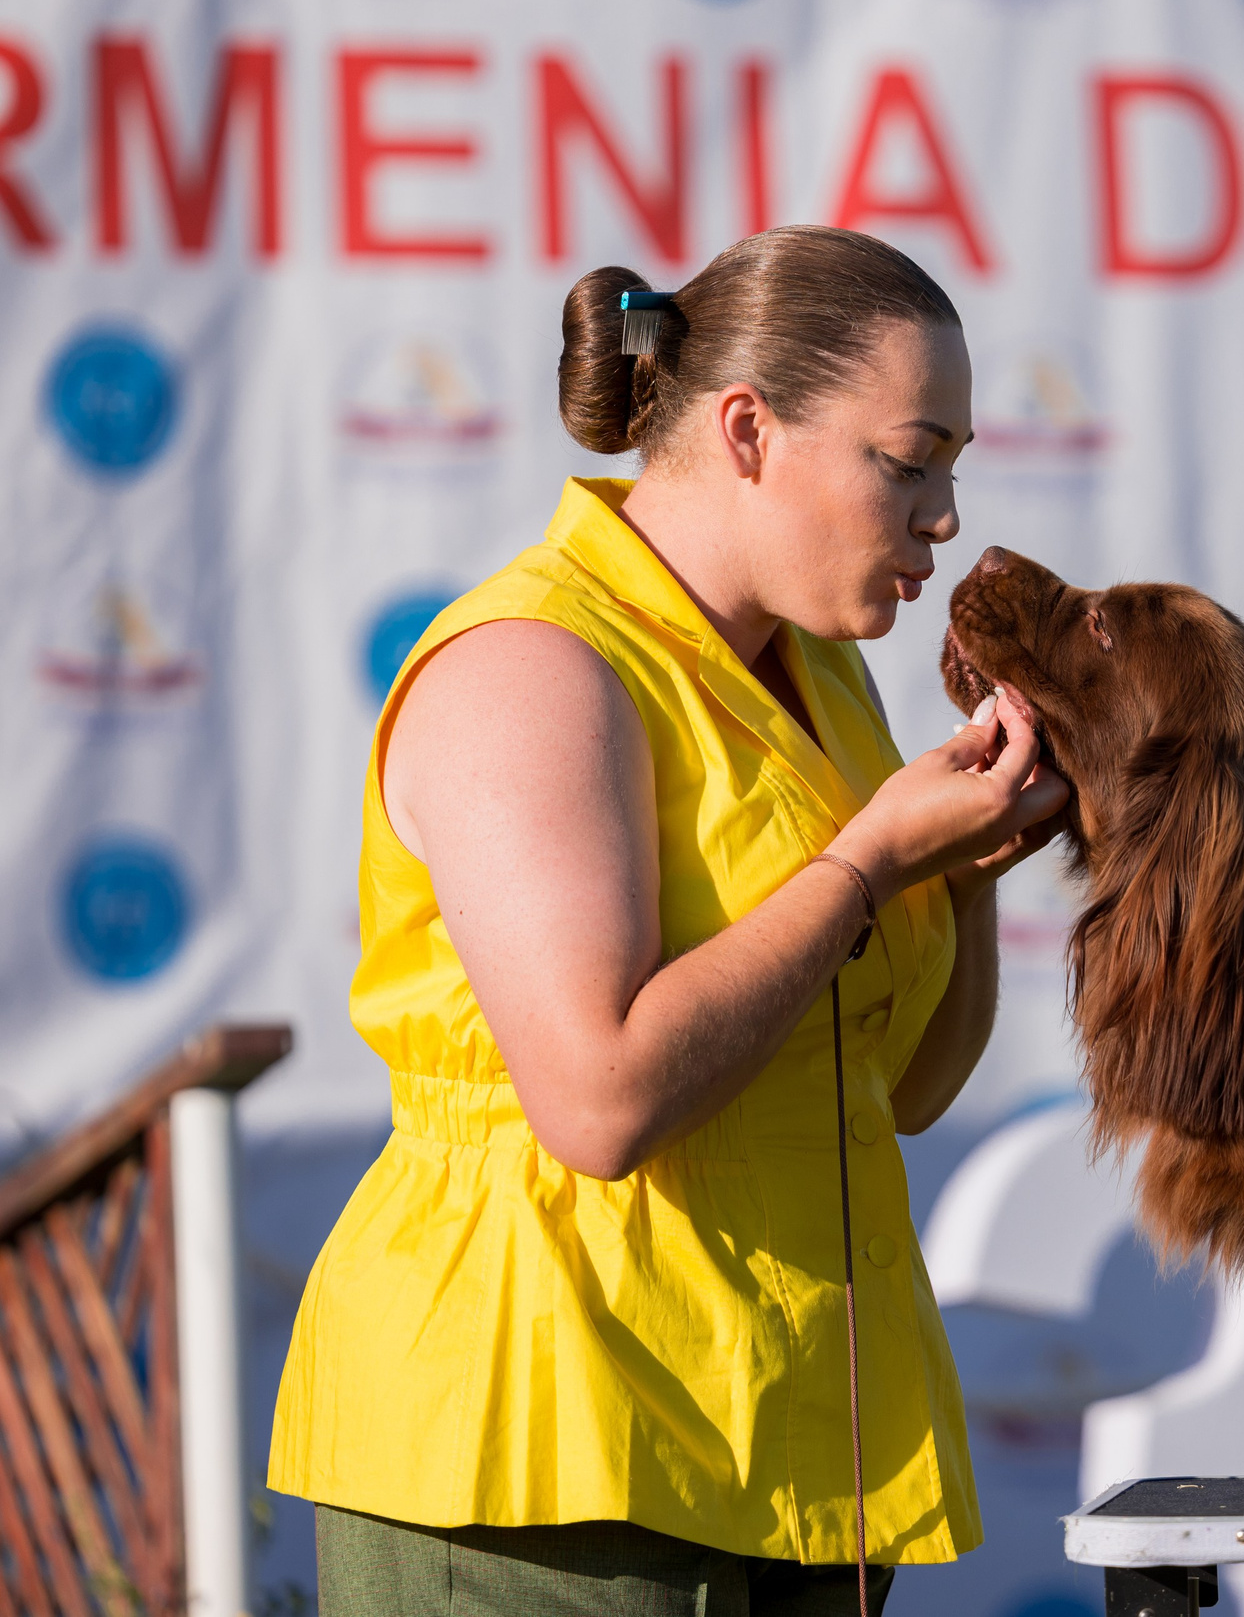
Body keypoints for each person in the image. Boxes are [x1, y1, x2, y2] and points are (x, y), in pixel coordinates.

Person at [269, 225, 1065, 1614]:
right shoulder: (533, 665)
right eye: (910, 457)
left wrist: (971, 875)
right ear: (749, 431)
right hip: (536, 1461)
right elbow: (599, 1101)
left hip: (786, 1451)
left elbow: (906, 1088)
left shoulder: (823, 674)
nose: (944, 515)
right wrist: (871, 864)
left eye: (956, 466)